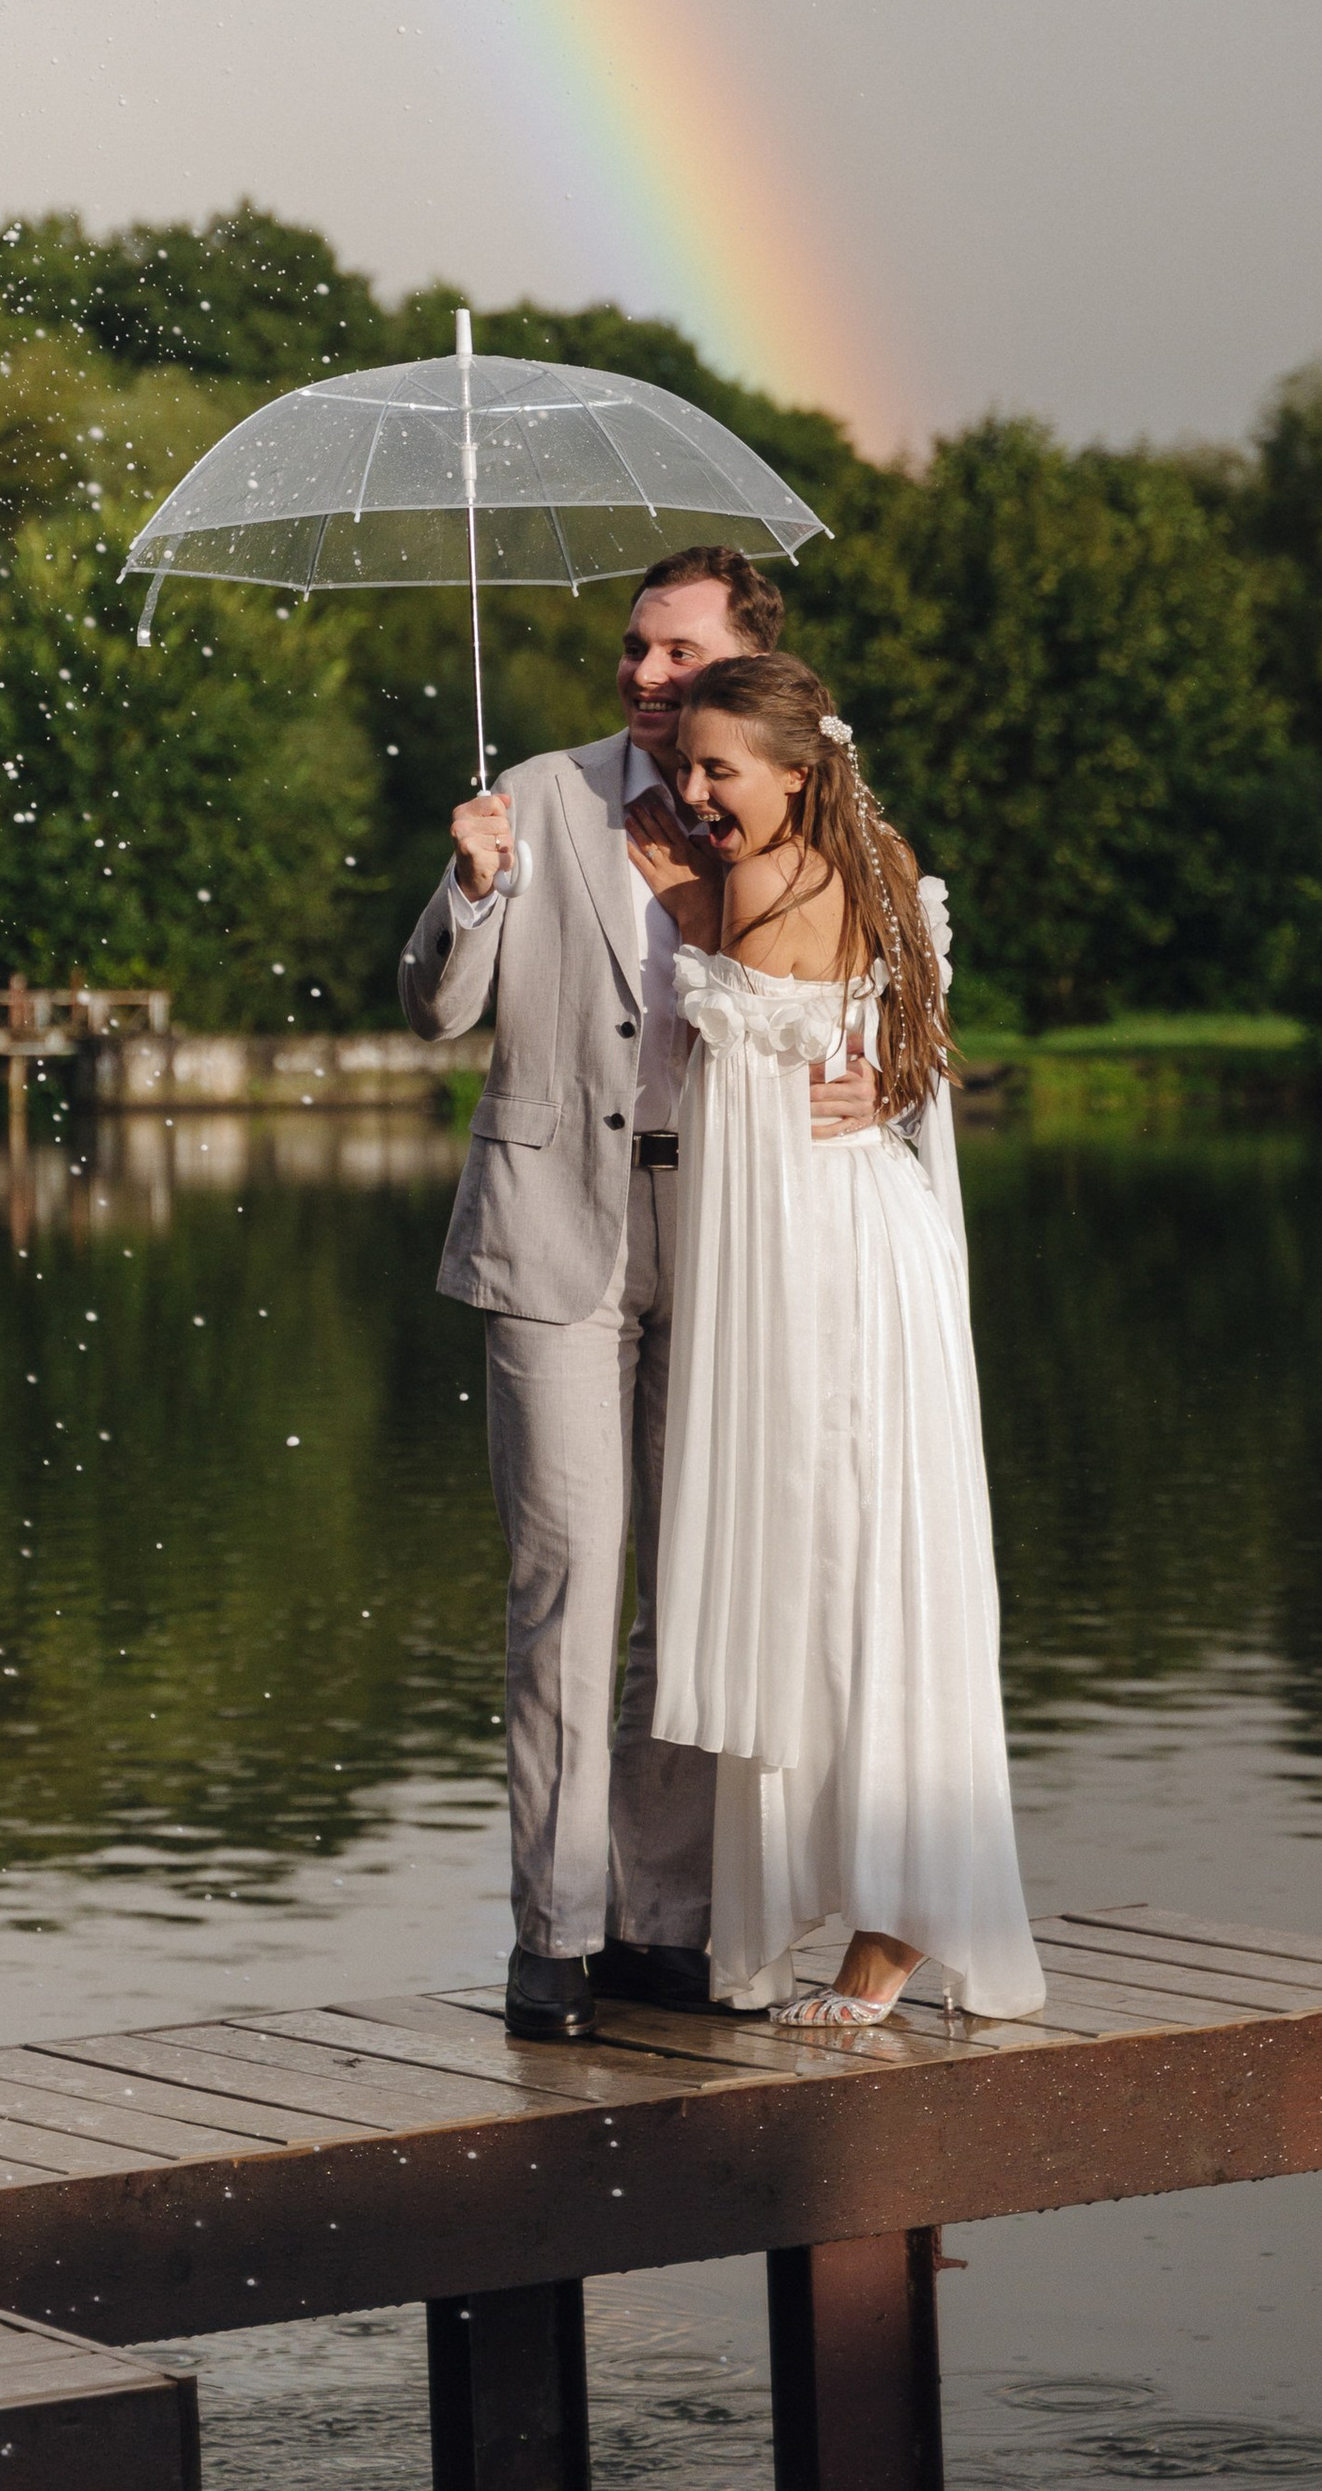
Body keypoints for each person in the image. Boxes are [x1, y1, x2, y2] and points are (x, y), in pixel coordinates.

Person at [397, 547, 883, 2044]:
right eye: (633, 650)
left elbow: (880, 991)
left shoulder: (795, 813)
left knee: (696, 1595)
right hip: (551, 1238)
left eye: (677, 653)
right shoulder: (540, 796)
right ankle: (552, 1935)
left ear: (743, 664)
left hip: (737, 1238)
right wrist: (474, 890)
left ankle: (661, 1929)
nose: (645, 674)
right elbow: (435, 1009)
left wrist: (876, 1084)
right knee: (569, 1587)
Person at [643, 648, 1044, 2025]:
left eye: (721, 770)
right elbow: (912, 1049)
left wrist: (679, 902)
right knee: (868, 1567)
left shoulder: (747, 885)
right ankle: (880, 1908)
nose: (697, 793)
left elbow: (740, 1072)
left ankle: (879, 1924)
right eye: (687, 767)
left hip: (814, 1266)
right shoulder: (882, 854)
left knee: (834, 1571)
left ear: (799, 771)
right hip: (881, 1247)